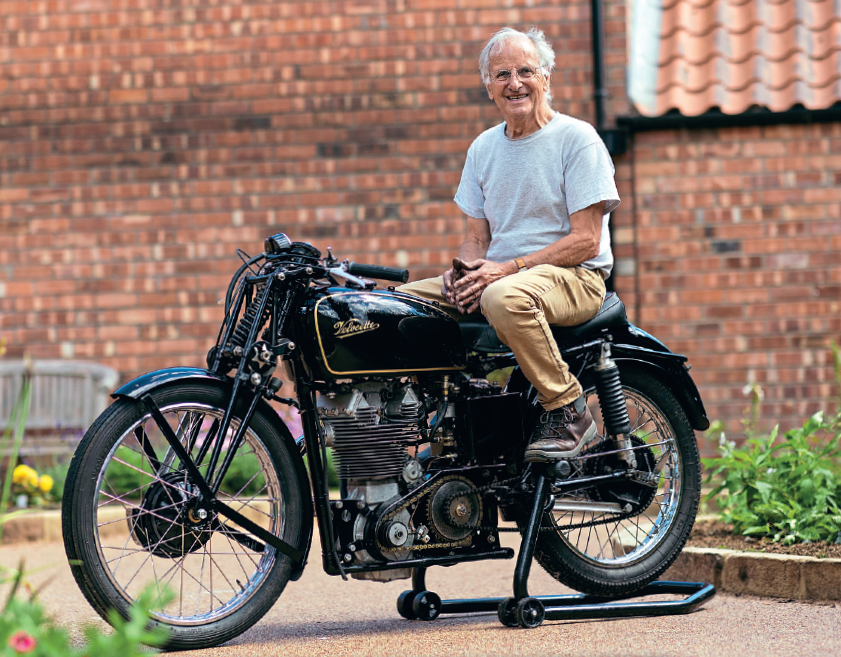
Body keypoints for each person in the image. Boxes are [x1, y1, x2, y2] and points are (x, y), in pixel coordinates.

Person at [399, 26, 620, 462]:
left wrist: (505, 269)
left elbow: (586, 241)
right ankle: (436, 424)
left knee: (502, 297)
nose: (514, 83)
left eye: (525, 71)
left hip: (576, 277)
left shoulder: (577, 140)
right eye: (502, 74)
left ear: (546, 78)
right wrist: (464, 271)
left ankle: (569, 409)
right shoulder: (483, 149)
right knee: (397, 306)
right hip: (506, 276)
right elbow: (477, 239)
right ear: (488, 87)